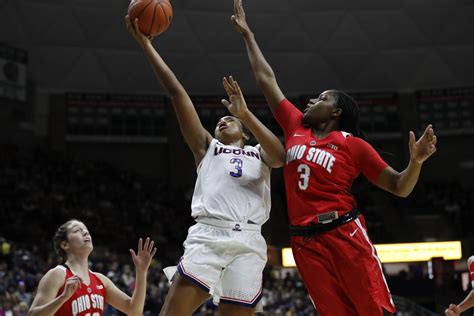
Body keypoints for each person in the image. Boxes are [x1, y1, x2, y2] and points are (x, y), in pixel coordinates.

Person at [230, 0, 438, 315]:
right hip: (304, 241)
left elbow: (400, 187)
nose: (313, 100)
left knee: (373, 310)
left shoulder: (353, 145)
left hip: (344, 233)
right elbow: (266, 80)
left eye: (322, 98)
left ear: (336, 112)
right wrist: (248, 36)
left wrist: (416, 163)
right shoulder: (296, 126)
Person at [126, 15, 286, 316]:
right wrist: (147, 46)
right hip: (210, 235)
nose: (222, 120)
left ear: (245, 132)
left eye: (230, 119)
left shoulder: (259, 152)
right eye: (218, 121)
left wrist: (247, 113)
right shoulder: (207, 147)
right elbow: (177, 94)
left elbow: (280, 157)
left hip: (250, 241)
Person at [28, 219, 157, 316]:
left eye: (86, 230)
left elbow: (135, 311)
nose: (85, 232)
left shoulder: (100, 279)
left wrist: (141, 272)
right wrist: (63, 298)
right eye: (77, 230)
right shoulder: (57, 274)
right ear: (65, 244)